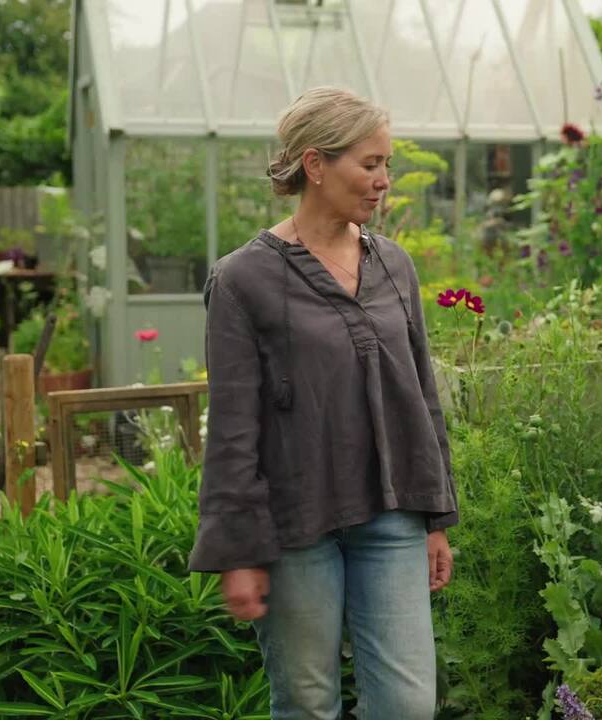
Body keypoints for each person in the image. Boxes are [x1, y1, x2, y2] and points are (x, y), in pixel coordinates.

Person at [187, 87, 458, 720]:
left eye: (387, 164)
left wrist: (435, 517)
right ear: (315, 164)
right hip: (294, 525)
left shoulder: (394, 265)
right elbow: (232, 428)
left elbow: (420, 395)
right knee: (307, 703)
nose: (384, 181)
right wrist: (238, 552)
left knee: (408, 705)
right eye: (370, 164)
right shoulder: (242, 280)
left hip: (391, 513)